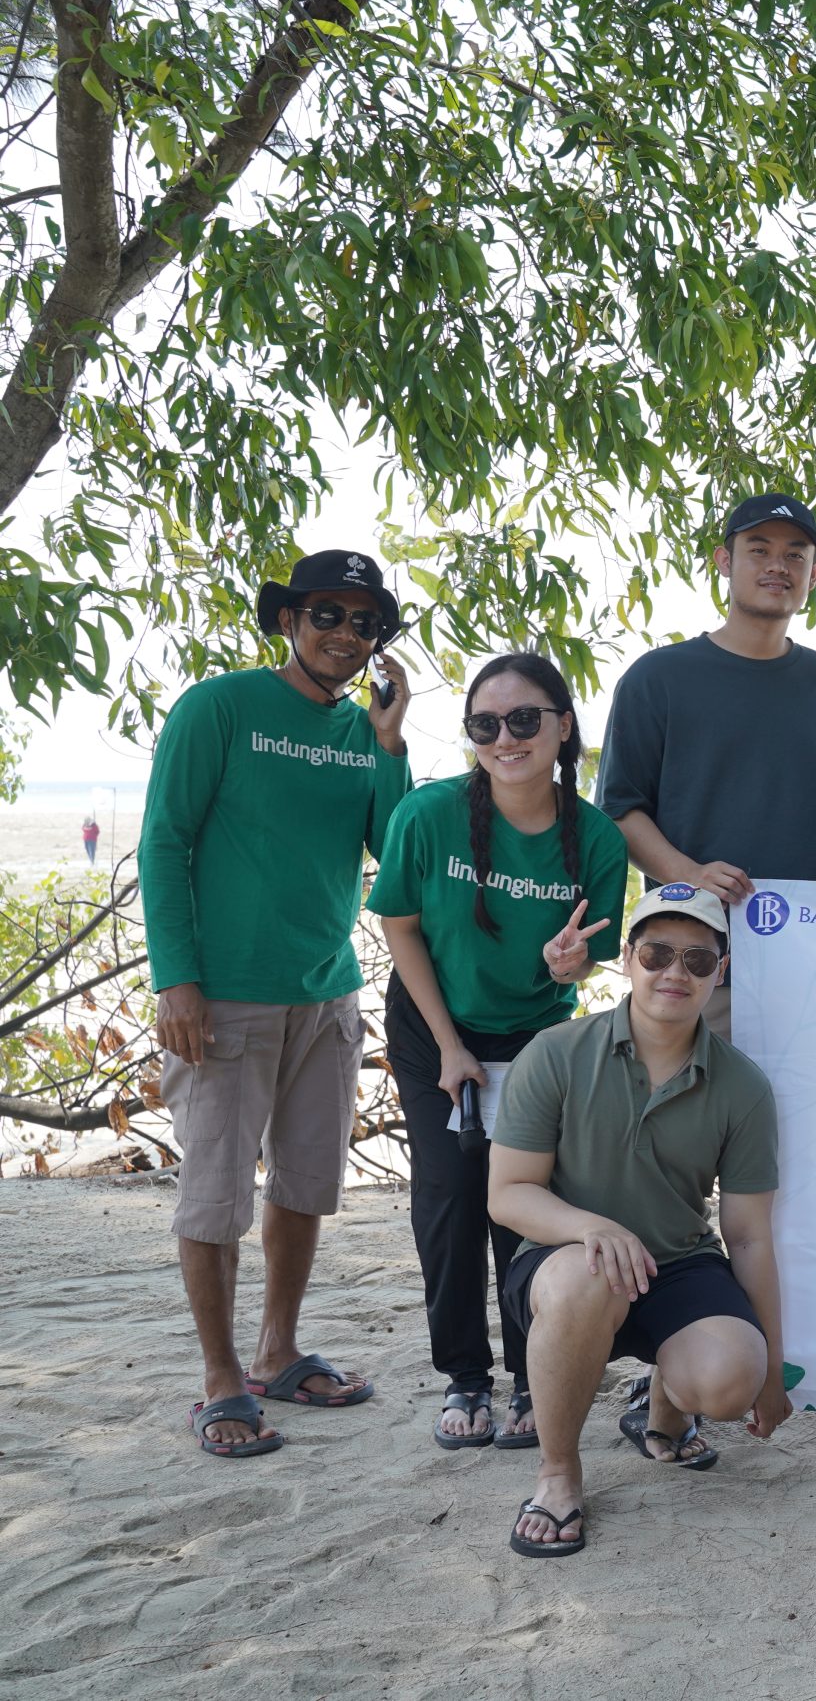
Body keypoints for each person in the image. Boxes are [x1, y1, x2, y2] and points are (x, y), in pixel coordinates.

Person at [140, 549, 413, 1457]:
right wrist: (176, 978)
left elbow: (393, 849)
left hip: (325, 993)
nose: (346, 633)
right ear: (289, 620)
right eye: (327, 614)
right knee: (215, 1196)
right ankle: (221, 1380)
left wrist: (390, 747)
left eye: (364, 622)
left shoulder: (360, 734)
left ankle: (277, 1351)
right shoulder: (217, 708)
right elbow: (165, 842)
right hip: (221, 998)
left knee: (305, 1184)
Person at [368, 653, 628, 1450]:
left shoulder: (598, 837)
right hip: (433, 1029)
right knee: (448, 1201)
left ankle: (528, 1377)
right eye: (486, 723)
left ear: (563, 725)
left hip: (538, 1039)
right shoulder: (428, 813)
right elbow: (400, 925)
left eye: (524, 719)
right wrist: (449, 1048)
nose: (506, 737)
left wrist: (570, 965)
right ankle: (466, 1377)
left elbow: (594, 953)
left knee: (525, 1207)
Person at [487, 885, 789, 1558]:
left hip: (678, 1259)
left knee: (732, 1376)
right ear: (626, 959)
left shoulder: (744, 1086)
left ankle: (663, 1408)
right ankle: (558, 1474)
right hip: (565, 1262)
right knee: (587, 1281)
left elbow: (746, 1234)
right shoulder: (556, 1052)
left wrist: (771, 1370)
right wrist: (591, 1226)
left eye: (696, 959)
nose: (674, 972)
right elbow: (507, 1193)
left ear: (723, 969)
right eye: (655, 953)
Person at [596, 491, 816, 1033]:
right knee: (689, 1113)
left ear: (814, 575)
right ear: (725, 562)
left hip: (813, 963)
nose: (777, 566)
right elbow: (619, 813)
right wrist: (690, 875)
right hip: (693, 964)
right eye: (759, 550)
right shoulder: (658, 679)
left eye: (796, 555)